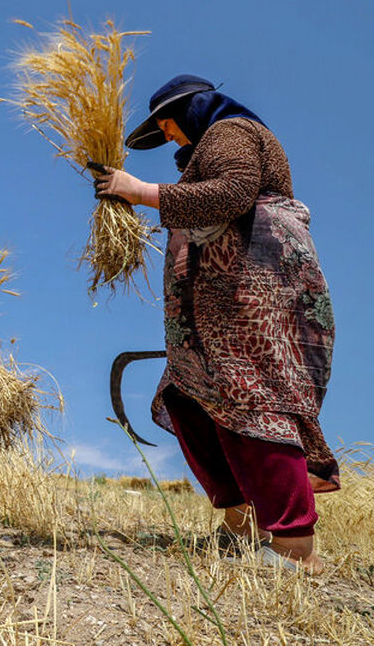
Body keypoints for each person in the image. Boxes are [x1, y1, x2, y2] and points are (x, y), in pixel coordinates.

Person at [93, 74, 337, 575]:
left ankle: (296, 546)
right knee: (188, 396)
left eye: (170, 127)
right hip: (213, 302)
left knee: (255, 399)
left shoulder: (229, 130)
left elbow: (234, 192)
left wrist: (137, 190)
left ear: (189, 110)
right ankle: (241, 519)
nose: (171, 139)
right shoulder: (203, 150)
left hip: (253, 293)